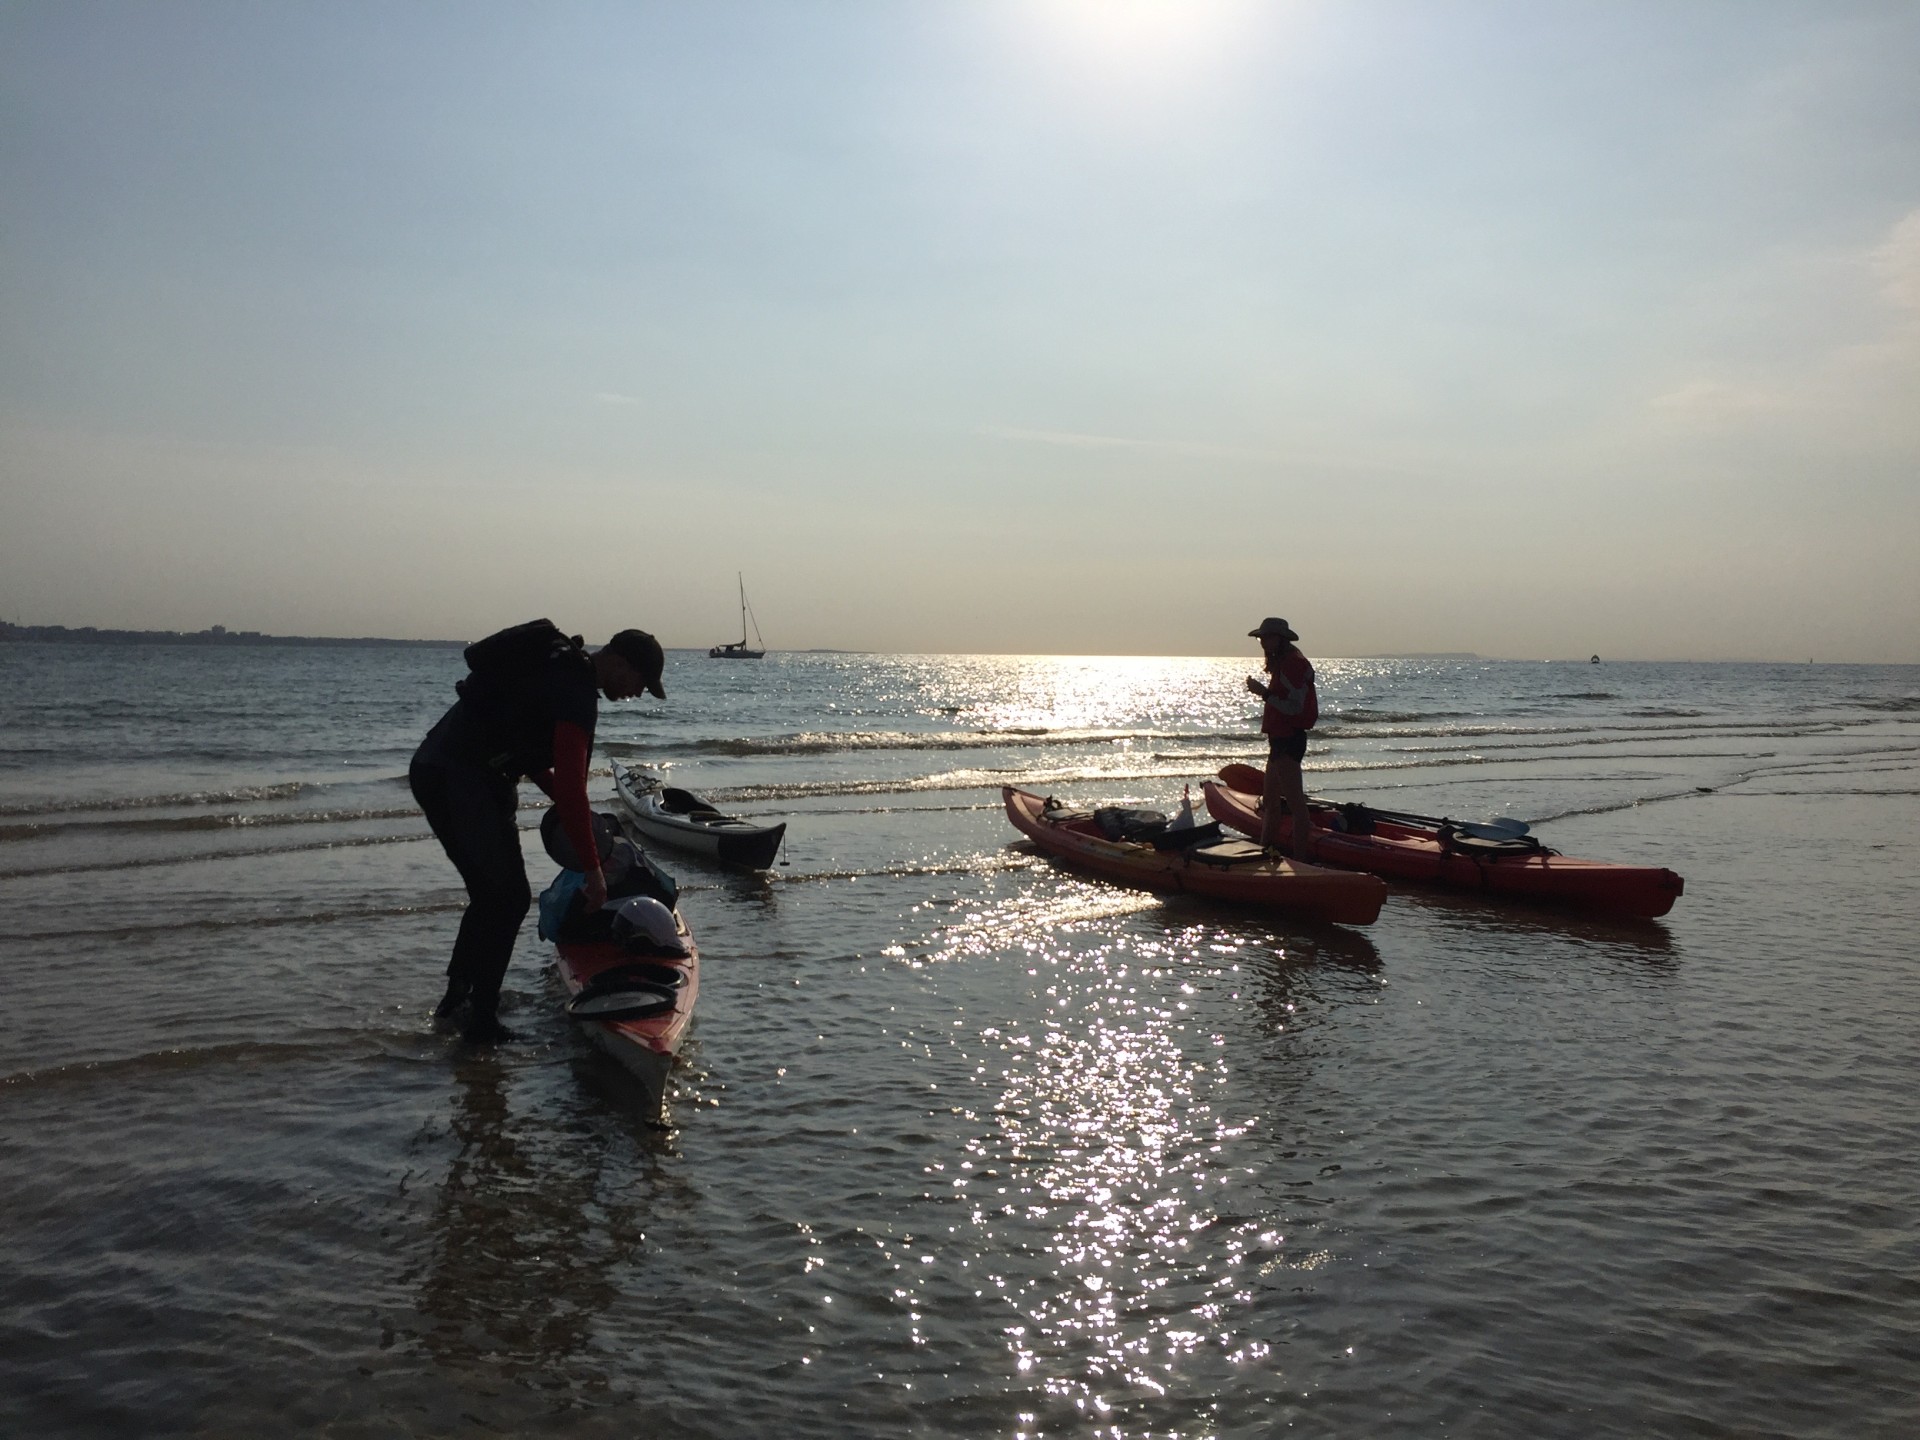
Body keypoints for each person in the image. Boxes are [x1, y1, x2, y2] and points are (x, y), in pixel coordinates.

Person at [409, 620, 665, 1043]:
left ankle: (459, 999)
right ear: (621, 662)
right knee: (506, 897)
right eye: (641, 682)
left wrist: (574, 811)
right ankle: (481, 1021)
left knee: (494, 894)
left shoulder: (559, 669)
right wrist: (595, 874)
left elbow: (535, 761)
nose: (638, 693)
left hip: (441, 769)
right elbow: (569, 789)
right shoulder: (576, 691)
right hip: (460, 779)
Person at [1244, 617, 1317, 857]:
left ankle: (1300, 859)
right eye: (1261, 637)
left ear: (1281, 639)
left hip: (1288, 739)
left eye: (1268, 637)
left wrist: (1263, 693)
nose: (1263, 642)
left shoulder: (1292, 665)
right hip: (1279, 740)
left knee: (1296, 805)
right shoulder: (1284, 663)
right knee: (1271, 801)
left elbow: (1294, 707)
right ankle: (1265, 850)